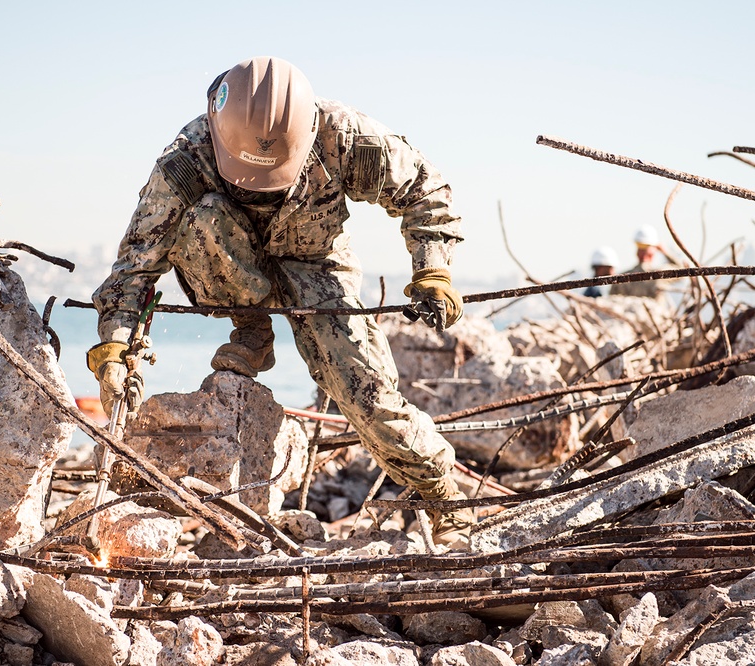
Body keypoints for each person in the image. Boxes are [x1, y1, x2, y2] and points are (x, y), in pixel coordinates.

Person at [87, 56, 473, 548]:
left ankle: (443, 495)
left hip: (316, 265)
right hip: (225, 261)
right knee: (199, 218)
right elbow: (136, 267)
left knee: (367, 394)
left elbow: (425, 190)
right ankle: (251, 327)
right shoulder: (187, 159)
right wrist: (116, 350)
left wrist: (432, 268)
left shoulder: (345, 137)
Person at [609, 225, 680, 299]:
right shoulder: (660, 275)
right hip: (655, 310)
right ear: (653, 252)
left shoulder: (621, 279)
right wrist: (664, 251)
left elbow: (611, 301)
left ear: (637, 253)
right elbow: (681, 269)